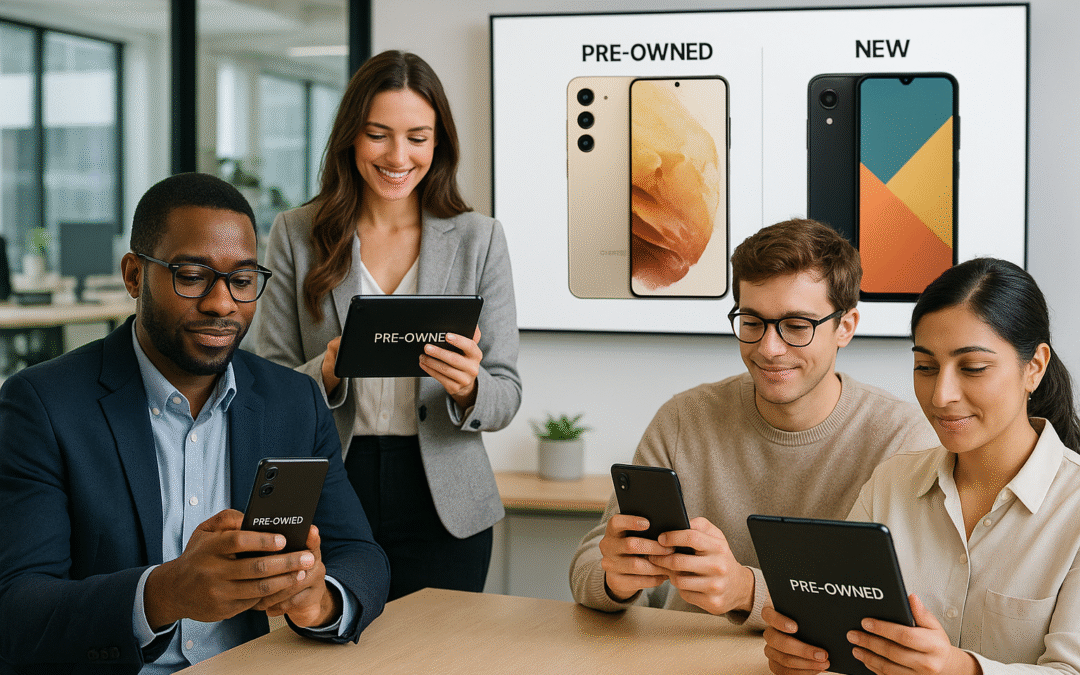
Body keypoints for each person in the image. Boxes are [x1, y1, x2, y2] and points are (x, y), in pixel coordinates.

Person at [0, 173, 390, 675]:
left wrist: (319, 602)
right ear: (135, 276)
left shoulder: (294, 401)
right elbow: (17, 612)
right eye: (191, 275)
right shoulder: (43, 405)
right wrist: (164, 593)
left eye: (242, 280)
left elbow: (360, 554)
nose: (222, 302)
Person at [570, 218, 938, 626]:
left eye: (797, 326)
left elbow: (893, 606)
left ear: (845, 327)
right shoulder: (683, 420)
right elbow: (590, 564)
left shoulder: (902, 437)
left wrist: (746, 590)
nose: (769, 348)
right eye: (752, 322)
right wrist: (616, 580)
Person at [257, 50, 520, 601]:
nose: (398, 156)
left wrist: (470, 387)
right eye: (379, 135)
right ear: (351, 137)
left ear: (438, 143)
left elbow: (507, 394)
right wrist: (325, 374)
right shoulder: (296, 233)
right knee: (329, 650)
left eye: (417, 137)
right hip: (331, 486)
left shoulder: (480, 238)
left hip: (445, 501)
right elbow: (265, 384)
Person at [763, 257, 1080, 675]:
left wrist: (958, 668)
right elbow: (841, 633)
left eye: (973, 368)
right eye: (925, 367)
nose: (941, 395)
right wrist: (803, 654)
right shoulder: (891, 482)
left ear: (1033, 367)